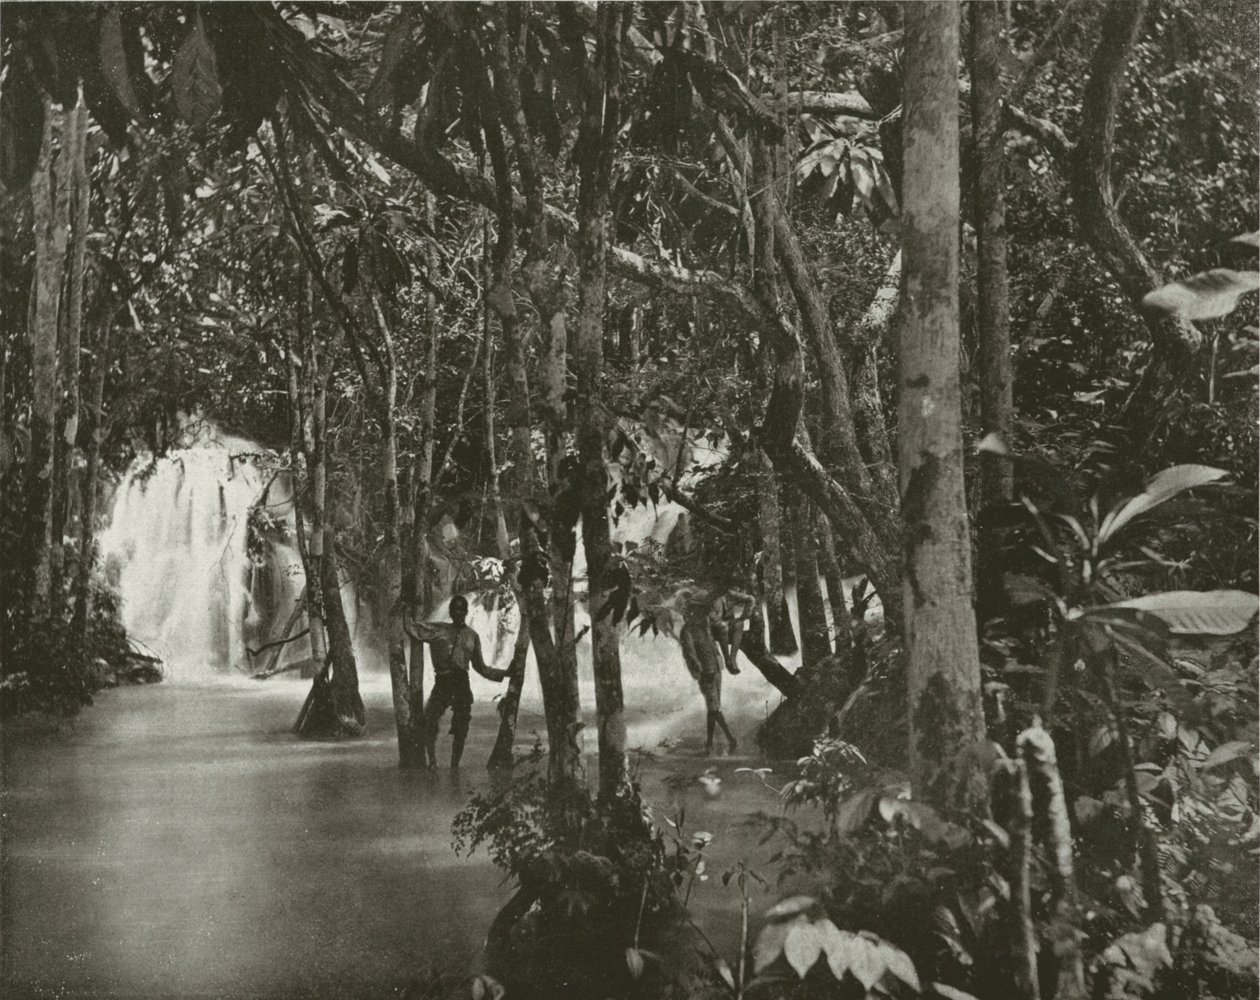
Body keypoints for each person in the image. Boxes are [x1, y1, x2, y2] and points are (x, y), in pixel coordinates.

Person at [406, 594, 507, 769]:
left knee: (462, 728)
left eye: (462, 609)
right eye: (455, 609)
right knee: (430, 720)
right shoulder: (438, 630)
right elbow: (413, 628)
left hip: (461, 682)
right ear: (451, 612)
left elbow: (480, 667)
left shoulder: (472, 636)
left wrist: (505, 673)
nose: (458, 613)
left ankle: (454, 766)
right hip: (443, 681)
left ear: (466, 612)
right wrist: (405, 610)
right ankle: (432, 761)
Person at [678, 590, 739, 755]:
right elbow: (690, 654)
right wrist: (699, 669)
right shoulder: (687, 630)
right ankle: (729, 739)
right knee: (714, 708)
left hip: (716, 668)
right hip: (707, 672)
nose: (704, 612)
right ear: (693, 611)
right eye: (701, 610)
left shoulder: (706, 624)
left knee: (714, 708)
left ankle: (710, 745)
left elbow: (721, 630)